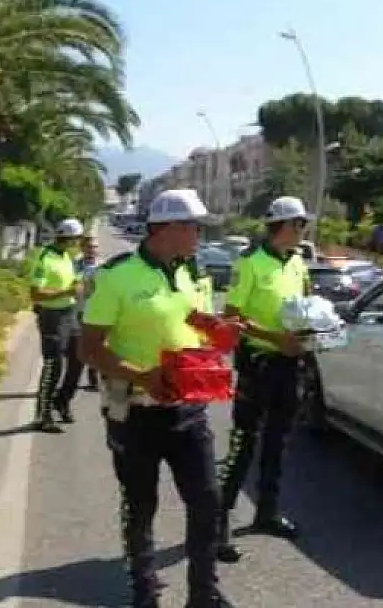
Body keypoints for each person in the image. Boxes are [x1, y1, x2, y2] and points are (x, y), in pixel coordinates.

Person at [79, 189, 236, 608]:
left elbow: (189, 324)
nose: (200, 235)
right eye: (195, 227)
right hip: (136, 412)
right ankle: (145, 591)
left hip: (188, 408)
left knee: (207, 502)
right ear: (168, 228)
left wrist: (215, 329)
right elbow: (88, 348)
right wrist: (142, 377)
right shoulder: (116, 277)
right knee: (140, 504)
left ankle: (203, 594)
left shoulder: (186, 273)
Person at [216, 195, 313, 562]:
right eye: (300, 224)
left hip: (290, 364)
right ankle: (219, 521)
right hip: (259, 363)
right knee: (244, 443)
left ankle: (267, 511)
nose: (304, 230)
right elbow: (232, 317)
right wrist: (276, 339)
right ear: (284, 226)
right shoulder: (250, 264)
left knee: (279, 440)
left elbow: (304, 303)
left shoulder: (298, 262)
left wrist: (313, 329)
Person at [29, 218, 85, 432]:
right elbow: (35, 294)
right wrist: (66, 292)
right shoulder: (45, 257)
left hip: (69, 313)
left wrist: (77, 286)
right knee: (54, 366)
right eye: (76, 239)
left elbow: (74, 281)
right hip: (51, 315)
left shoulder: (68, 257)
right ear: (68, 238)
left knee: (79, 359)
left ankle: (62, 400)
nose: (78, 243)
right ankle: (42, 416)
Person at [76, 236, 102, 391]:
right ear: (82, 248)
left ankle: (94, 380)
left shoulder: (103, 267)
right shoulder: (75, 265)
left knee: (97, 347)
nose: (92, 250)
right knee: (79, 347)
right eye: (89, 247)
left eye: (95, 247)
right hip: (79, 311)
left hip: (98, 313)